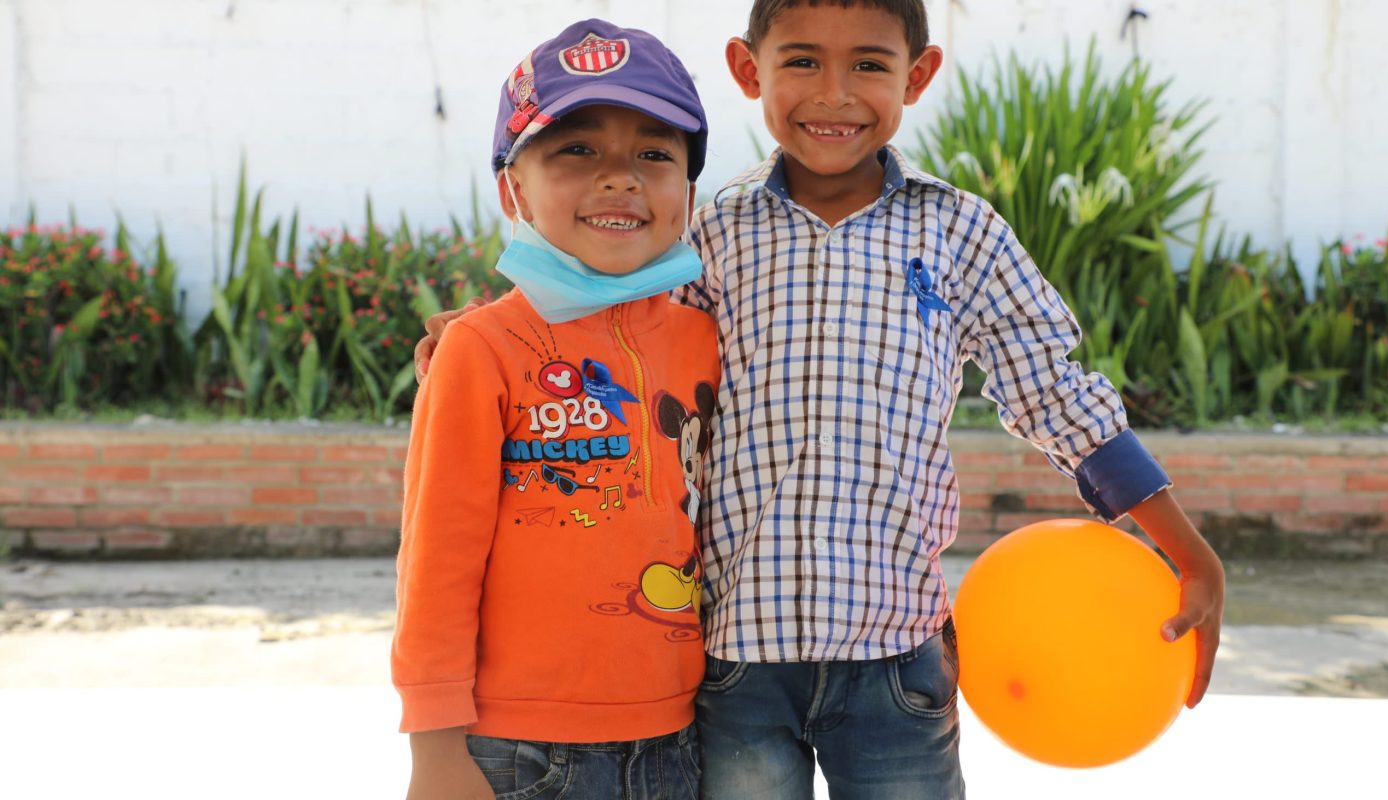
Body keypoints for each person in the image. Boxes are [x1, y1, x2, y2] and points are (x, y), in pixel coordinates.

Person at [416, 2, 1225, 798]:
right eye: (801, 60)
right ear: (748, 69)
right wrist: (488, 328)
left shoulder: (959, 232)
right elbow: (618, 313)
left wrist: (1184, 547)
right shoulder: (714, 235)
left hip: (895, 660)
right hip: (736, 664)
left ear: (917, 75)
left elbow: (1054, 390)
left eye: (868, 64)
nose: (833, 93)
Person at [393, 19, 720, 800]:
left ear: (688, 193)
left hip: (680, 733)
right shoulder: (483, 349)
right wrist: (434, 749)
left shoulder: (709, 336)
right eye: (576, 149)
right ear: (513, 189)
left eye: (654, 153)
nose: (620, 177)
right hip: (517, 747)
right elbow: (437, 560)